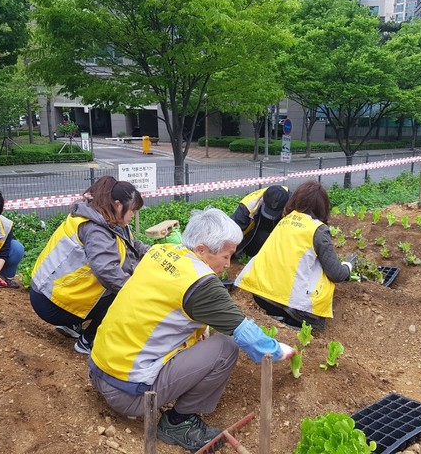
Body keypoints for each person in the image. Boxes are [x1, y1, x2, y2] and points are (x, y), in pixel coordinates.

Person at [88, 207, 295, 452]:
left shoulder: (160, 251)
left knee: (200, 337)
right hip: (128, 394)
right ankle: (179, 422)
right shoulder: (200, 284)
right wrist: (278, 350)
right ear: (201, 250)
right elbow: (244, 332)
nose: (228, 265)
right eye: (226, 256)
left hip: (100, 370)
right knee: (225, 348)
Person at [30, 176, 150, 354]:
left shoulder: (104, 217)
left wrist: (158, 254)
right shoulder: (96, 229)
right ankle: (88, 341)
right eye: (132, 210)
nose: (133, 215)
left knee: (121, 284)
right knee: (122, 294)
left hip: (50, 290)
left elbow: (134, 244)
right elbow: (107, 271)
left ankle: (72, 325)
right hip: (51, 302)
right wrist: (138, 294)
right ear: (118, 205)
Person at [235, 180, 352, 330]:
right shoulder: (318, 230)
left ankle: (279, 315)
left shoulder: (284, 221)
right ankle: (292, 319)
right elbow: (336, 274)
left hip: (260, 295)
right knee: (321, 273)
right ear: (323, 207)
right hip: (291, 303)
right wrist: (347, 267)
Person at [230, 185, 290, 258]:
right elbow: (232, 232)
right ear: (263, 200)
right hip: (257, 229)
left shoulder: (292, 201)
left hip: (279, 227)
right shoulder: (246, 208)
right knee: (262, 238)